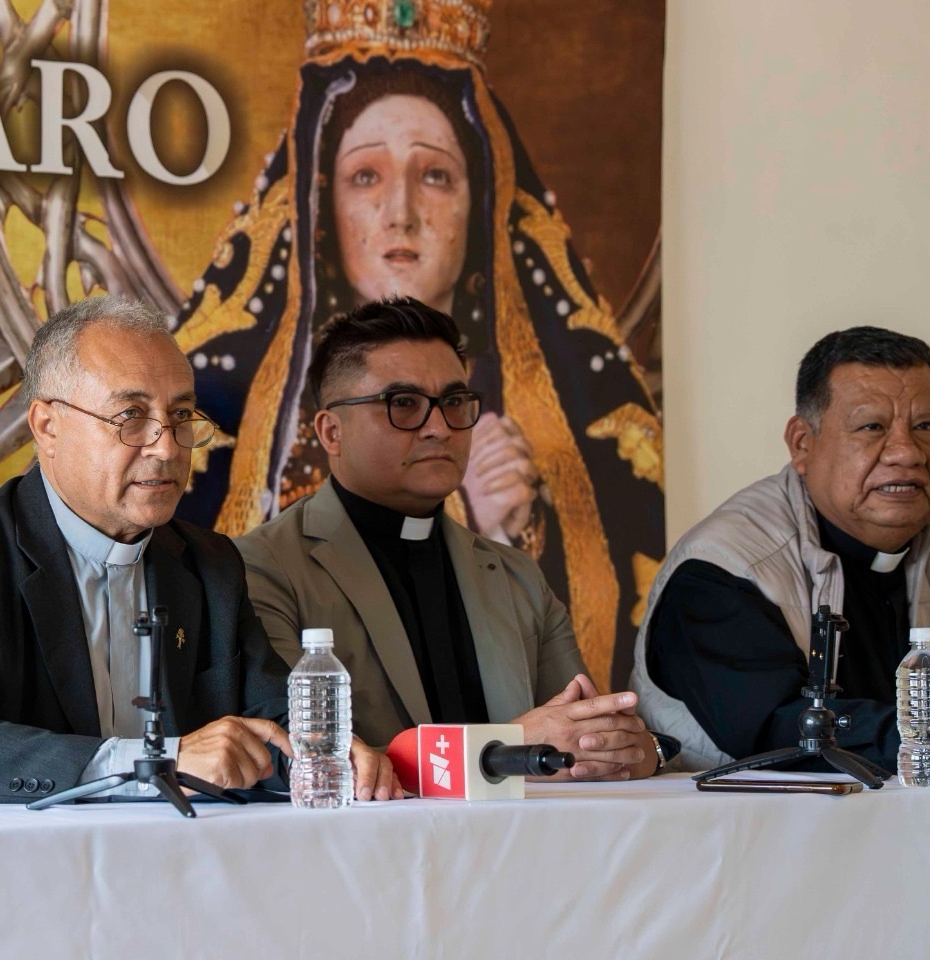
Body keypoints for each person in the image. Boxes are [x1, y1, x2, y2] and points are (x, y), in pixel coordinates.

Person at [172, 0, 664, 695]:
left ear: (480, 203)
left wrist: (515, 530)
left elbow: (582, 714)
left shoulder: (517, 574)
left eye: (434, 175)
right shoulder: (261, 561)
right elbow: (311, 738)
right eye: (367, 176)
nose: (400, 212)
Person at [0, 296, 400, 803]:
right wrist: (154, 764)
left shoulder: (209, 564)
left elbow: (270, 720)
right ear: (47, 426)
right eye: (130, 417)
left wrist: (324, 753)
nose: (166, 447)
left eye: (181, 416)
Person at [634, 327, 930, 778]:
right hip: (759, 827)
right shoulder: (724, 564)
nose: (907, 453)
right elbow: (776, 727)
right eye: (872, 427)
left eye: (925, 426)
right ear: (802, 444)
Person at [237, 297, 668, 780]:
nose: (439, 428)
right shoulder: (262, 568)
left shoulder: (517, 576)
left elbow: (580, 736)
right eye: (404, 404)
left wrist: (629, 749)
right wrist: (506, 749)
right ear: (331, 432)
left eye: (454, 402)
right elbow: (297, 761)